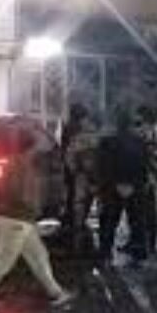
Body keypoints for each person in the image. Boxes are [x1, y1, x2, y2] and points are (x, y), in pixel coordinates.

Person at [0, 121, 71, 313]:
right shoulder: (21, 164)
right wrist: (34, 207)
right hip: (16, 219)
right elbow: (19, 193)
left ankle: (56, 293)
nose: (44, 144)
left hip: (22, 219)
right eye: (39, 142)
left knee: (39, 257)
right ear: (32, 146)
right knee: (1, 261)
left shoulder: (22, 162)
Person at [93, 109, 152, 265]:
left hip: (112, 188)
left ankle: (105, 255)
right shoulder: (141, 142)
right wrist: (136, 184)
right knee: (137, 223)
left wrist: (109, 185)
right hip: (135, 188)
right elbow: (145, 166)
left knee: (108, 223)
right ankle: (139, 254)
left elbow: (102, 166)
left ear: (116, 124)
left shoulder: (106, 142)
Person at [61, 103, 99, 257]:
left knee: (78, 202)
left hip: (80, 175)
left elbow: (68, 154)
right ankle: (77, 231)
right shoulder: (94, 137)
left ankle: (75, 232)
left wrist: (73, 170)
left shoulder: (72, 131)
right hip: (89, 176)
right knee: (84, 202)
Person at [135, 105, 157, 257]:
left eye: (139, 115)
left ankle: (142, 244)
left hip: (144, 177)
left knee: (141, 212)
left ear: (145, 117)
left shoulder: (142, 133)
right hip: (155, 176)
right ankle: (154, 244)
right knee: (154, 212)